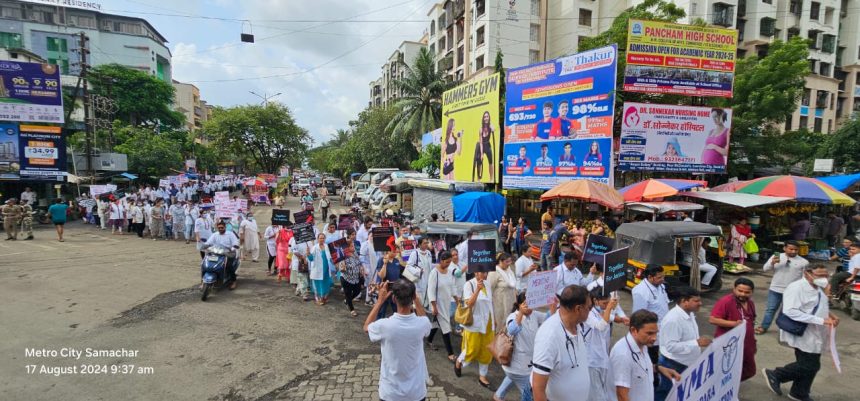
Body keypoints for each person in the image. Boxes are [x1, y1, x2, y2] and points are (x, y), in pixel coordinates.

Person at [762, 264, 839, 401]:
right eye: (820, 275)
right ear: (807, 274)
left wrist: (831, 316)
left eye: (825, 275)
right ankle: (777, 374)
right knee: (810, 365)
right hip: (803, 331)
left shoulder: (817, 287)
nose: (824, 279)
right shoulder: (796, 288)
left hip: (816, 331)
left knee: (809, 364)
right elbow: (790, 311)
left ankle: (799, 393)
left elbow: (817, 304)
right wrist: (821, 320)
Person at [364, 279, 432, 401]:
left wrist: (380, 301)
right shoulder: (422, 324)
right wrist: (416, 300)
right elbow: (425, 320)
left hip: (390, 393)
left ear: (394, 299)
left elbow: (366, 327)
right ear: (413, 297)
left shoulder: (384, 325)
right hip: (416, 393)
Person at [531, 285, 592, 401]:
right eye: (589, 307)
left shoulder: (578, 326)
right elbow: (537, 388)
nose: (591, 311)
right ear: (578, 309)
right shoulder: (549, 336)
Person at [654, 287, 711, 401]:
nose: (700, 303)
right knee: (665, 393)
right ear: (684, 301)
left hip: (685, 363)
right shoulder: (673, 319)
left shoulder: (689, 313)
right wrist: (696, 342)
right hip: (673, 364)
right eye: (696, 301)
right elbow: (670, 346)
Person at [611, 310, 680, 401]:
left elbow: (640, 368)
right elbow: (622, 396)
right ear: (634, 330)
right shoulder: (623, 355)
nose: (654, 338)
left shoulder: (642, 345)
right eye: (650, 333)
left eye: (656, 333)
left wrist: (660, 369)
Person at [493, 292, 547, 401]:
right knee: (530, 395)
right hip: (518, 366)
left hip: (526, 364)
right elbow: (512, 330)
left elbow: (549, 317)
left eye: (532, 304)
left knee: (511, 378)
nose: (530, 307)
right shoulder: (513, 316)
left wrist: (553, 305)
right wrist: (521, 313)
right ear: (519, 305)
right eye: (527, 305)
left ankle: (498, 396)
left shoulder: (534, 315)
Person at [709, 278, 757, 381]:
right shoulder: (726, 301)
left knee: (750, 370)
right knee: (724, 372)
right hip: (729, 346)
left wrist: (753, 343)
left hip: (746, 345)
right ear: (734, 289)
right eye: (740, 291)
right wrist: (733, 324)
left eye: (747, 292)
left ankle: (730, 385)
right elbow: (713, 319)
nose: (743, 294)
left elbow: (751, 322)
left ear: (752, 292)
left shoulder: (751, 304)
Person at [454, 268, 494, 388]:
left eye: (486, 272)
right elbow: (469, 304)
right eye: (482, 272)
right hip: (474, 323)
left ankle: (482, 376)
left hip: (488, 322)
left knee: (486, 350)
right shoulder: (469, 284)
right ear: (476, 272)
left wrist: (494, 320)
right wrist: (477, 289)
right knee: (472, 349)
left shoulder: (487, 283)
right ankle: (459, 361)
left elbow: (490, 303)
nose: (485, 274)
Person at [757, 241, 808, 334]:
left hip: (792, 292)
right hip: (775, 289)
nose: (793, 251)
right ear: (784, 248)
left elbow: (805, 278)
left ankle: (784, 330)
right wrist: (772, 263)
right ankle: (764, 327)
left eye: (796, 249)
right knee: (770, 309)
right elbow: (765, 269)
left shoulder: (803, 262)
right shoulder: (776, 257)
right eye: (791, 249)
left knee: (786, 312)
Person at [584, 288, 620, 401]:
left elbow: (609, 317)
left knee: (603, 391)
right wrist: (609, 307)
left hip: (602, 358)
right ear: (595, 301)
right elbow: (601, 326)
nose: (606, 305)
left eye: (607, 302)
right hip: (592, 360)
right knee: (597, 395)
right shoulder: (588, 314)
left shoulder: (599, 312)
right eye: (604, 303)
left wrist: (622, 319)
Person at [631, 266, 670, 366]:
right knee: (650, 362)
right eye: (659, 277)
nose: (662, 280)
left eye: (663, 277)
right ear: (650, 277)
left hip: (662, 330)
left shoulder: (660, 286)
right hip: (649, 335)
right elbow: (639, 316)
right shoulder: (640, 291)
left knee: (656, 357)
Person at [427, 250, 457, 362]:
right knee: (446, 328)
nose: (449, 264)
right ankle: (450, 353)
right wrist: (434, 306)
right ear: (441, 261)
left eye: (450, 262)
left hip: (446, 303)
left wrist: (457, 299)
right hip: (437, 305)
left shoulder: (449, 272)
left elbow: (452, 286)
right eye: (447, 262)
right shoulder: (434, 273)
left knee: (435, 324)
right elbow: (430, 291)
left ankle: (429, 340)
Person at [203, 221, 240, 290]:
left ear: (225, 227)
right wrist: (205, 245)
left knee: (229, 266)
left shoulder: (230, 234)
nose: (220, 229)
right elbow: (209, 242)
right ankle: (202, 281)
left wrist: (233, 247)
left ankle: (233, 281)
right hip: (216, 252)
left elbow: (235, 242)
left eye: (222, 228)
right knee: (205, 264)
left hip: (228, 252)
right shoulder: (215, 234)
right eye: (219, 228)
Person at [488, 253, 517, 333]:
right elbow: (489, 290)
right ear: (500, 261)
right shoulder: (494, 273)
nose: (509, 264)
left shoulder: (509, 270)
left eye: (510, 261)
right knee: (500, 327)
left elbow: (513, 285)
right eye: (507, 262)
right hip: (500, 305)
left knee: (510, 325)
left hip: (511, 303)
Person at [376, 249, 404, 318]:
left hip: (395, 288)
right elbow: (382, 275)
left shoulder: (396, 261)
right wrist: (385, 264)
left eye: (396, 251)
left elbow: (402, 273)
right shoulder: (381, 260)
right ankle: (379, 325)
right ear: (388, 251)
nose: (395, 253)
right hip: (384, 288)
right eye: (393, 251)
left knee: (396, 309)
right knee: (382, 309)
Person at [338, 241, 363, 317]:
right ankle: (352, 309)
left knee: (357, 291)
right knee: (348, 294)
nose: (354, 247)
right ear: (347, 248)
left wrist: (361, 268)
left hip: (355, 278)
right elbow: (341, 268)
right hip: (346, 279)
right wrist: (342, 268)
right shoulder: (343, 256)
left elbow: (359, 262)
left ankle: (347, 301)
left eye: (353, 246)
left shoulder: (355, 253)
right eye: (352, 246)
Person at [309, 233, 335, 305]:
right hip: (317, 269)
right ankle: (318, 299)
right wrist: (308, 254)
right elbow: (311, 259)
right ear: (317, 239)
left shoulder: (326, 246)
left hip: (326, 269)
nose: (322, 239)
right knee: (318, 284)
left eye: (323, 238)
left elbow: (330, 257)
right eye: (320, 238)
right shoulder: (314, 247)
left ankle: (323, 297)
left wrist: (335, 263)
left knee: (325, 283)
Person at [472, 110, 496, 182]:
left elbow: (494, 129)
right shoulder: (481, 129)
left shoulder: (491, 126)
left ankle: (491, 179)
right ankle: (479, 178)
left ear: (489, 118)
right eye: (485, 117)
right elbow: (481, 142)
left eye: (487, 116)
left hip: (488, 145)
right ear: (483, 118)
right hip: (482, 146)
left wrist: (492, 129)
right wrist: (482, 153)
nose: (486, 118)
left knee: (491, 162)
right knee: (479, 161)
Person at [289, 231, 313, 301]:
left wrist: (308, 253)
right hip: (298, 262)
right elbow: (295, 252)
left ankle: (298, 290)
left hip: (307, 262)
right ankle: (304, 294)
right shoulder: (295, 240)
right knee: (302, 278)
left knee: (303, 277)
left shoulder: (309, 242)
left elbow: (311, 251)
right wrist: (302, 257)